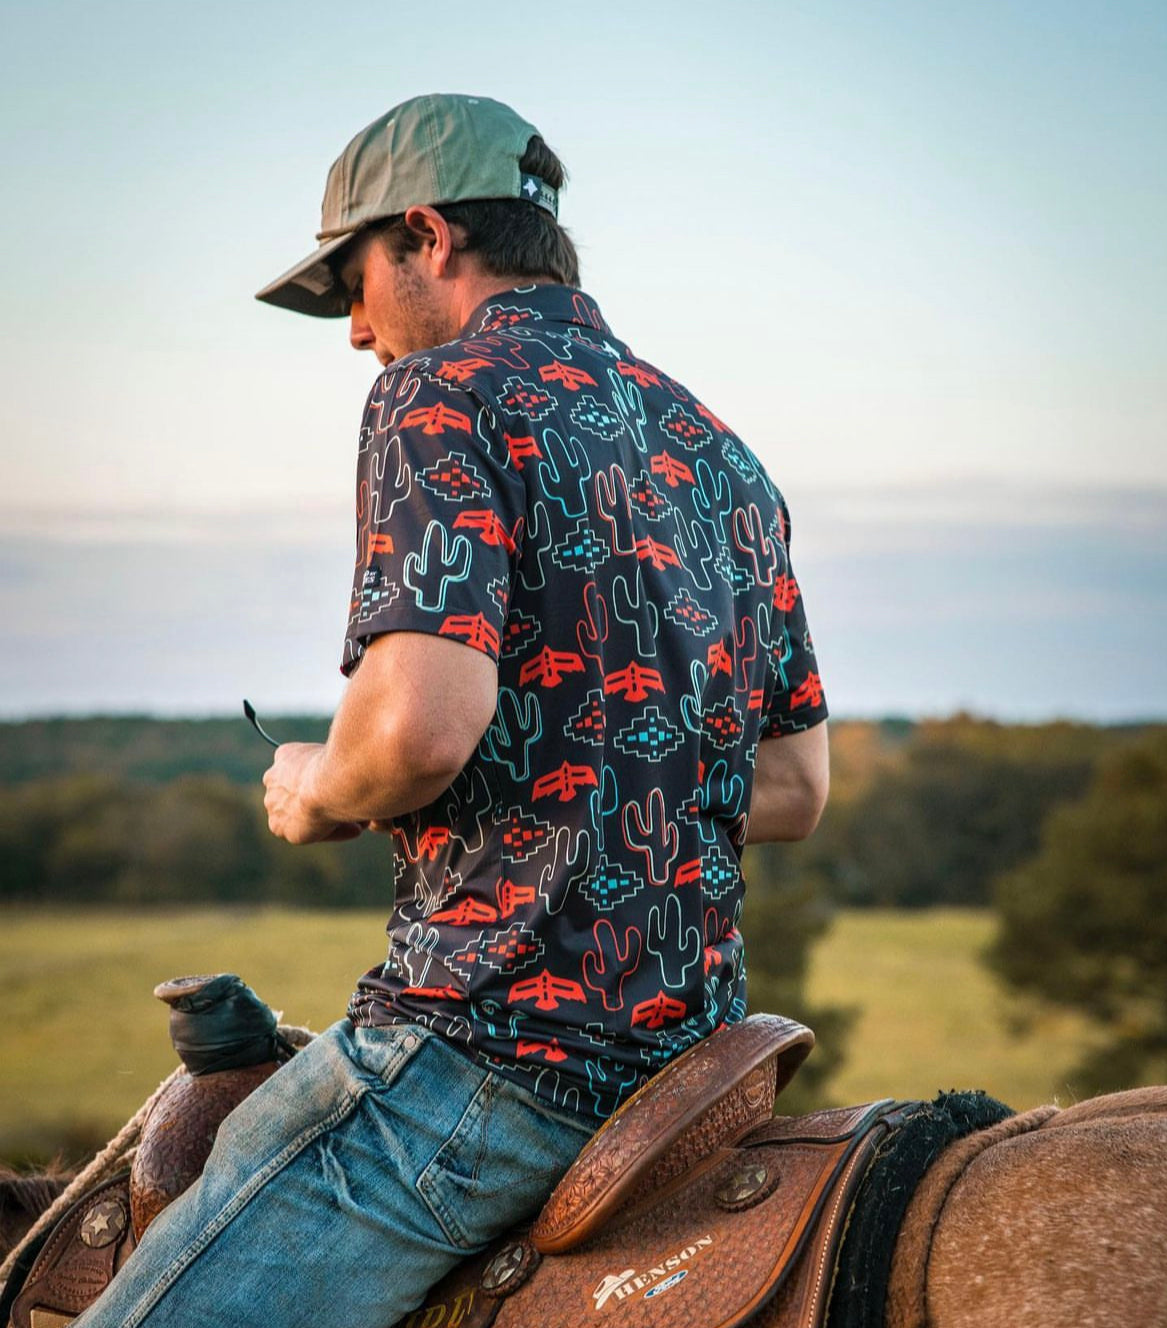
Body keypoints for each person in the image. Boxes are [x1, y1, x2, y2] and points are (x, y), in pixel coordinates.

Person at [74, 92, 829, 1328]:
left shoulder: (438, 396)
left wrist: (318, 781)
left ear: (427, 235)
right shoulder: (718, 447)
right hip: (685, 1061)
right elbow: (795, 789)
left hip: (484, 1054)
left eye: (355, 283)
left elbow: (419, 730)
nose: (356, 330)